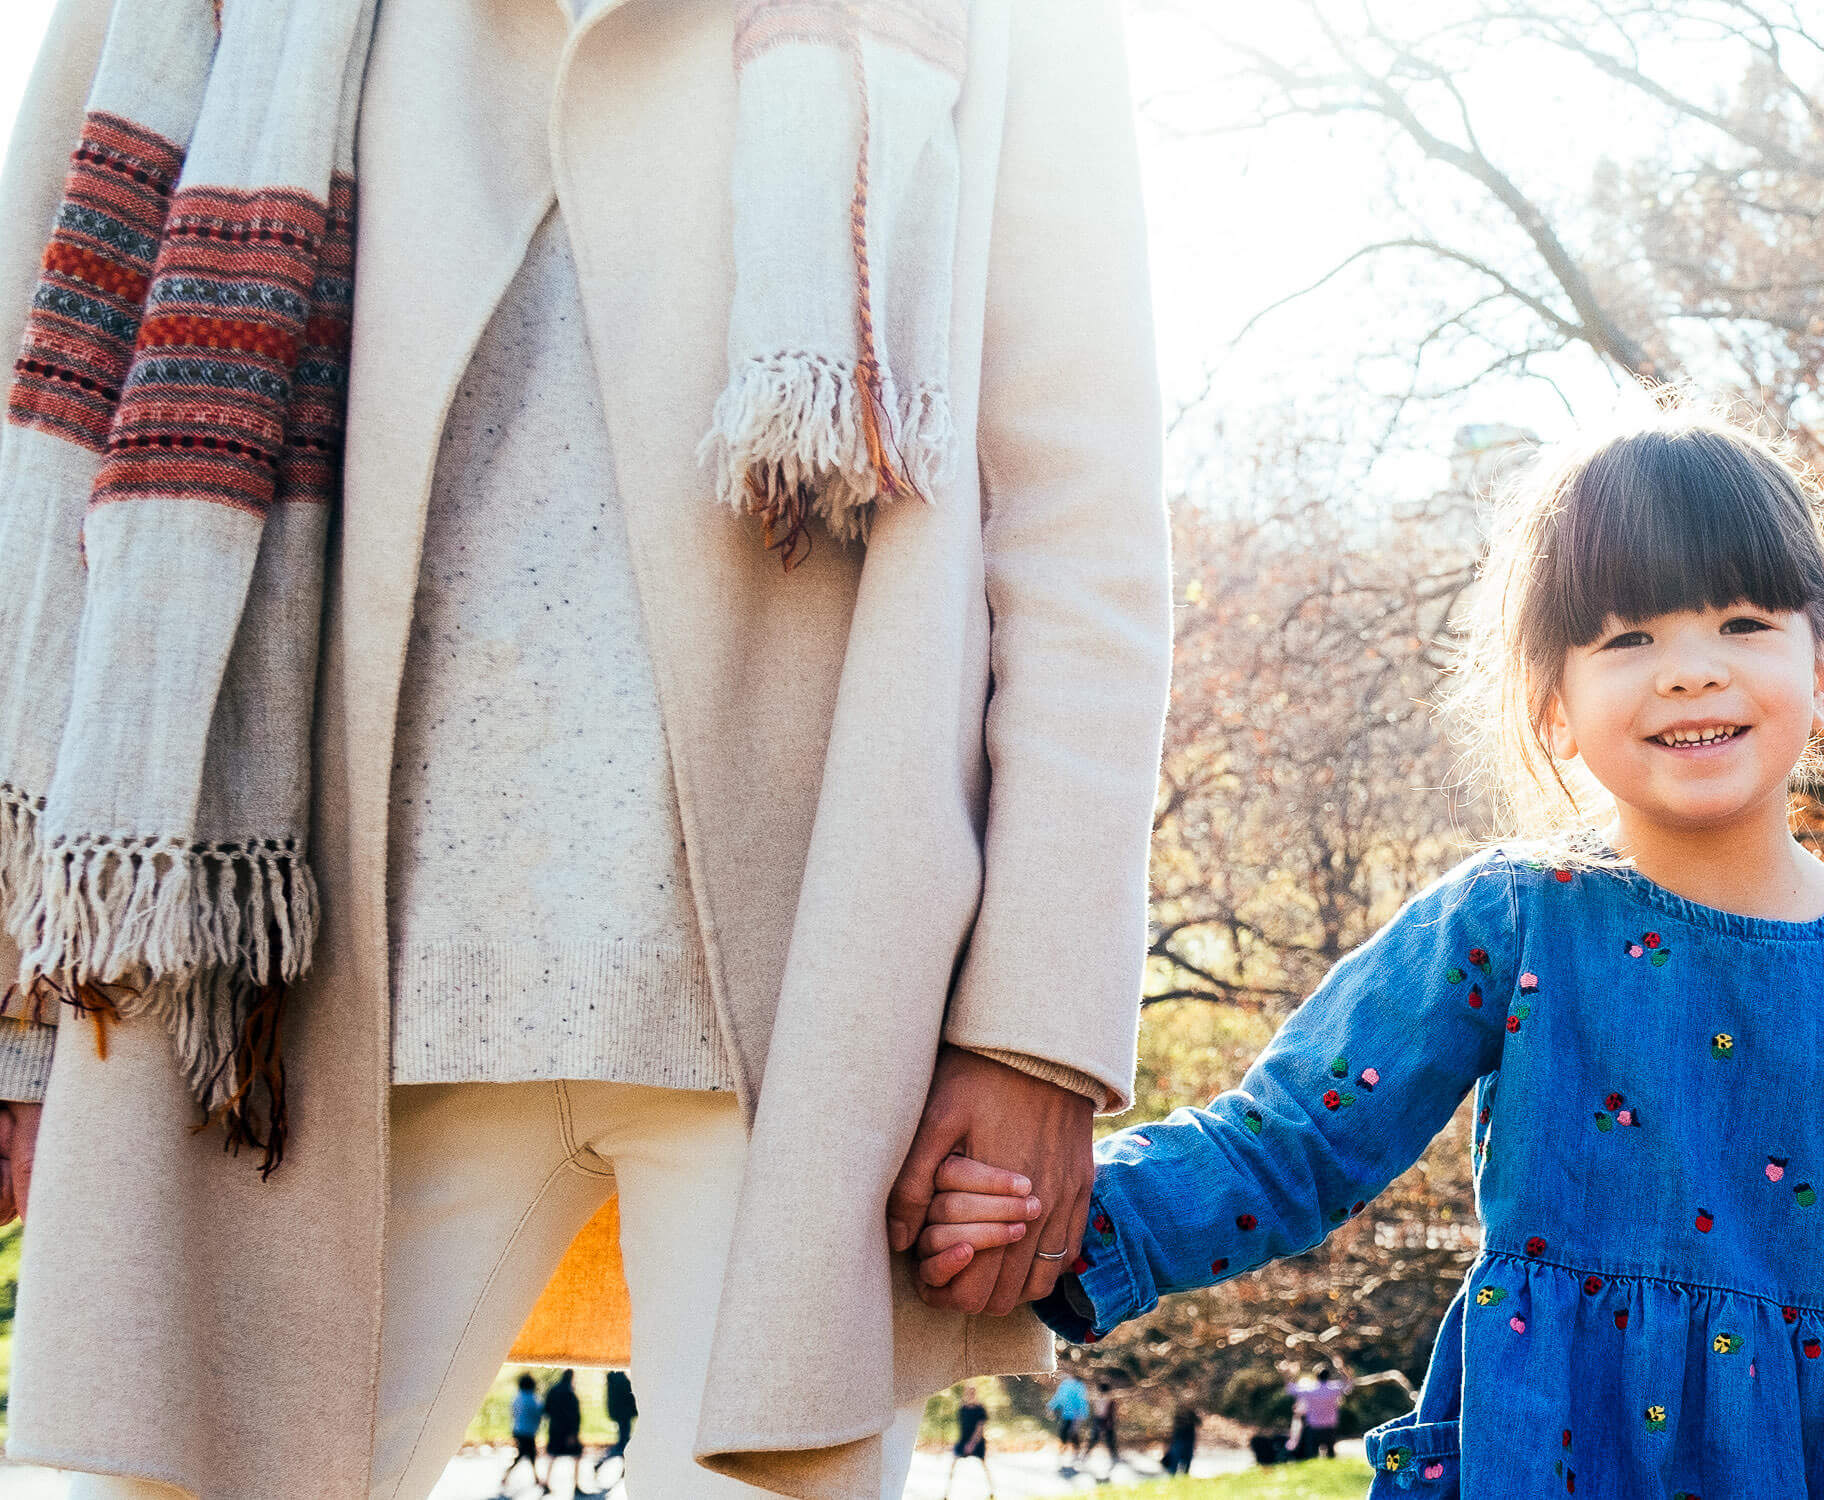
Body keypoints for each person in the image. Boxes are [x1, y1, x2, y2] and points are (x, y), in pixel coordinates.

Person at [0, 0, 1167, 1496]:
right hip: (280, 992)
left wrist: (1031, 1031)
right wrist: (19, 1001)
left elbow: (1079, 512)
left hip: (814, 1008)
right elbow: (42, 391)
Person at [915, 405, 1824, 1494]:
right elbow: (1296, 1143)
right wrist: (1061, 1221)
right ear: (1553, 704)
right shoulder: (1518, 920)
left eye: (1742, 622)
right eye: (1629, 635)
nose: (1691, 667)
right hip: (1541, 1456)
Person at [943, 1381, 996, 1498]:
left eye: (973, 1392)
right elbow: (962, 1428)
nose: (970, 1394)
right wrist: (961, 1444)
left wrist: (972, 1444)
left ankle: (992, 1492)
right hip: (963, 1441)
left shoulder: (980, 1410)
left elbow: (980, 1429)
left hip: (977, 1443)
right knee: (953, 1464)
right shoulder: (962, 1409)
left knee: (984, 1465)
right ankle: (946, 1493)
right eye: (968, 1392)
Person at [499, 1372, 548, 1496]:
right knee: (528, 1455)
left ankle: (509, 1477)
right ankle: (536, 1479)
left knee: (524, 1454)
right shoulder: (533, 1399)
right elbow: (540, 1412)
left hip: (517, 1430)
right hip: (528, 1431)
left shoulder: (517, 1397)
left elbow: (513, 1412)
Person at [1286, 1364, 1348, 1460]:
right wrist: (1341, 1368)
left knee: (1313, 1453)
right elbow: (1348, 1383)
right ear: (1328, 1376)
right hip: (1330, 1425)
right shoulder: (1334, 1388)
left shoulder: (1310, 1390)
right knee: (1331, 1452)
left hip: (1314, 1425)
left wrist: (1290, 1374)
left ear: (1316, 1376)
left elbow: (1291, 1388)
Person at [541, 1371, 586, 1499]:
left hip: (554, 1429)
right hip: (568, 1432)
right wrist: (573, 1433)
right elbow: (574, 1416)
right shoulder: (570, 1393)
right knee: (577, 1456)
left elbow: (546, 1410)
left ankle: (546, 1482)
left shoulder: (553, 1390)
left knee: (552, 1455)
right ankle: (576, 1485)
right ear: (572, 1377)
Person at [1046, 1371, 1091, 1467]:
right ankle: (1063, 1452)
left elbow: (1082, 1401)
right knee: (1064, 1433)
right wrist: (1051, 1407)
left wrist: (1082, 1415)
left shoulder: (1079, 1385)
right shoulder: (1064, 1384)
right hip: (1065, 1415)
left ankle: (1076, 1453)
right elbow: (1058, 1398)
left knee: (1074, 1434)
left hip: (1076, 1415)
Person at [597, 1368, 636, 1477]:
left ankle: (624, 1469)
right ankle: (604, 1462)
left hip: (619, 1415)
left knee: (623, 1442)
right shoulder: (623, 1381)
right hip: (625, 1415)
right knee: (623, 1444)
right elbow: (631, 1398)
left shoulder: (611, 1379)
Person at [1160, 1401, 1201, 1477]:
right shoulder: (1177, 1415)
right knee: (1175, 1460)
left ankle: (1184, 1476)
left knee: (1187, 1460)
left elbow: (1199, 1423)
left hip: (1188, 1441)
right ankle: (1173, 1476)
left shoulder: (1191, 1414)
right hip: (1179, 1441)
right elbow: (1171, 1430)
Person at [1089, 1378, 1122, 1469]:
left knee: (1097, 1438)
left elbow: (1099, 1411)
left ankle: (1114, 1455)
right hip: (1105, 1420)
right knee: (1109, 1439)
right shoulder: (1109, 1399)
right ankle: (1114, 1455)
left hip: (1100, 1419)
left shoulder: (1100, 1398)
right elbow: (1111, 1412)